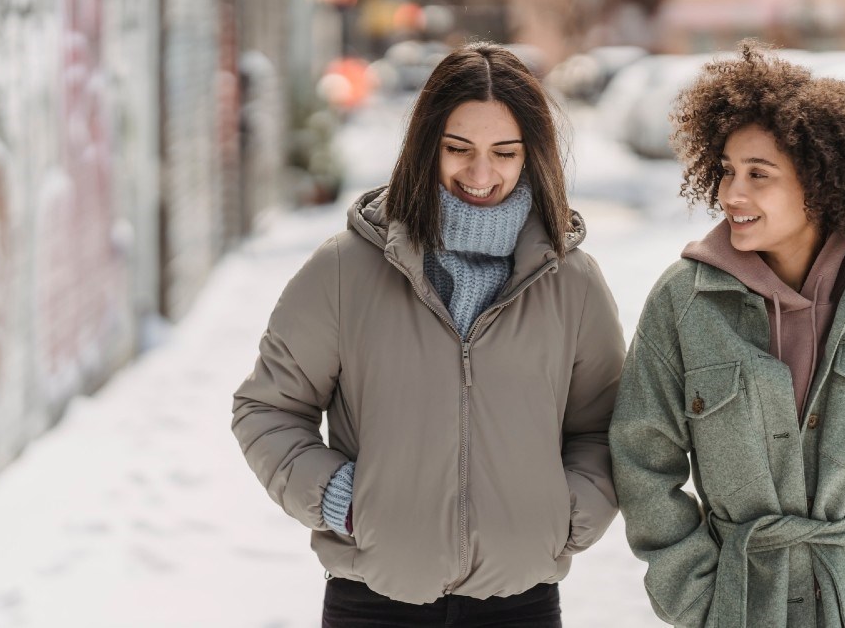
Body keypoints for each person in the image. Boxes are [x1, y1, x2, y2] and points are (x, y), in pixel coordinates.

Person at [232, 42, 624, 628]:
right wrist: (342, 502)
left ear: (531, 156)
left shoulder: (571, 281)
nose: (481, 173)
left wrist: (567, 516)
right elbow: (266, 409)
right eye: (458, 149)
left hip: (520, 606)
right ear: (425, 147)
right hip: (372, 605)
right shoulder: (348, 269)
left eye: (505, 152)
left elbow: (606, 425)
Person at [609, 42, 845, 628]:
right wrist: (696, 593)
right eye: (728, 170)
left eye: (760, 174)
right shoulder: (683, 301)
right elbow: (640, 458)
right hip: (733, 606)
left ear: (821, 181)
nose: (733, 194)